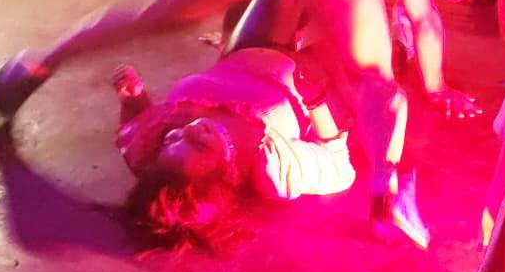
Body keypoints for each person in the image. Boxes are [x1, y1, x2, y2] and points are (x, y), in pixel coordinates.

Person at [0, 0, 480, 239]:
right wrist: (436, 86)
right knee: (375, 80)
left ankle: (37, 63)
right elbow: (424, 20)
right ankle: (384, 197)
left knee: (157, 13)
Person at [107, 43, 371, 250]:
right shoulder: (270, 168)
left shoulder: (154, 150)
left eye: (172, 139)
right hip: (322, 61)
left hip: (251, 44)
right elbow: (339, 169)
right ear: (222, 177)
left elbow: (137, 128)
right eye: (199, 145)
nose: (191, 128)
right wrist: (316, 100)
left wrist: (134, 98)